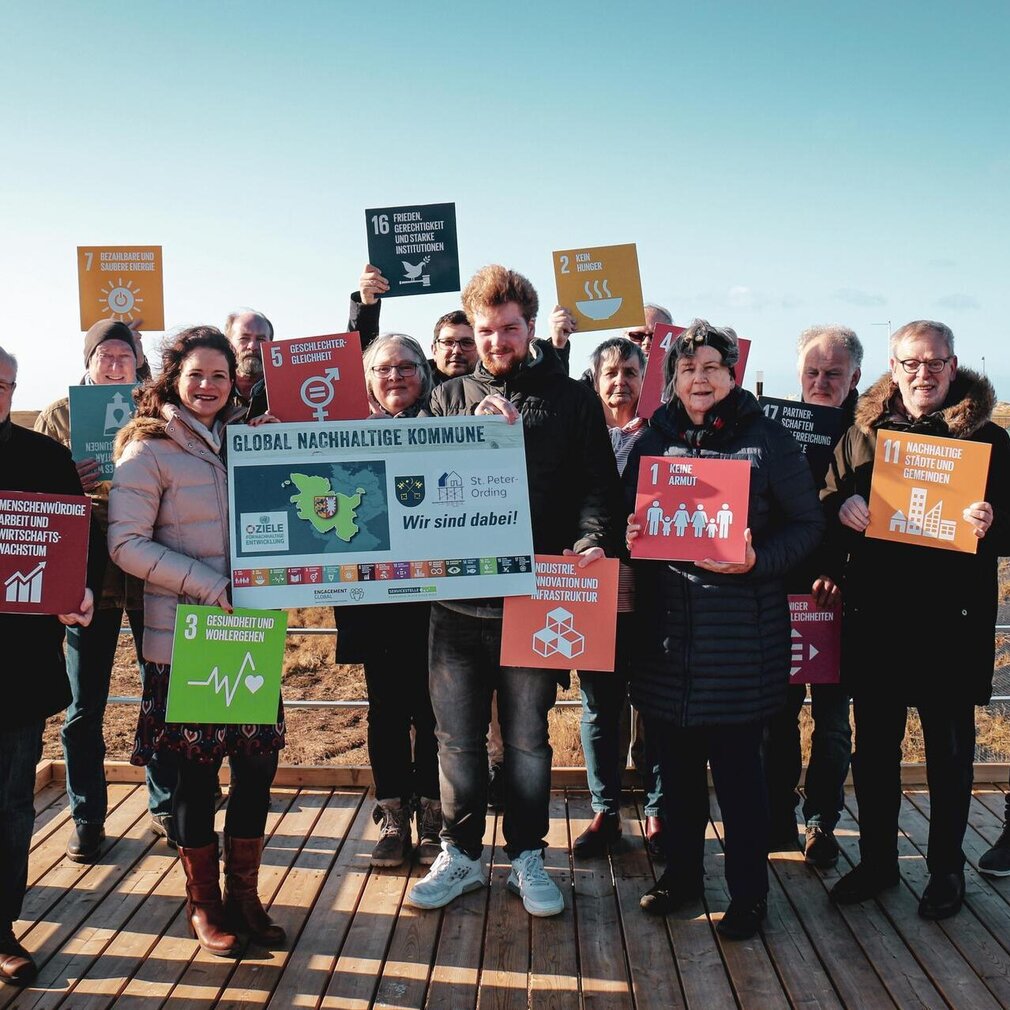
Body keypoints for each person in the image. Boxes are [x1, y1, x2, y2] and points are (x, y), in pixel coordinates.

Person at [407, 264, 623, 918]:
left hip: (537, 597)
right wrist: (472, 435)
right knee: (457, 740)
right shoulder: (445, 399)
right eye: (485, 329)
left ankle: (527, 855)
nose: (497, 340)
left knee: (528, 739)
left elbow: (599, 487)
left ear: (530, 327)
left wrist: (590, 538)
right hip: (455, 603)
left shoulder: (572, 397)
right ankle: (463, 854)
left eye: (509, 328)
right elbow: (415, 484)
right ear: (471, 331)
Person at [625, 320, 823, 940]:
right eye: (688, 369)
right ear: (673, 379)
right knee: (676, 778)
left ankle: (749, 895)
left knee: (741, 783)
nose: (700, 378)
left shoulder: (768, 441)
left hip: (741, 641)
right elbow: (627, 518)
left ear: (732, 374)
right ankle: (682, 878)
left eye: (712, 367)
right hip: (665, 641)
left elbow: (808, 527)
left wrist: (756, 560)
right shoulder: (652, 439)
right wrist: (630, 537)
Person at [822, 320, 1010, 919]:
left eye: (934, 363)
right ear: (893, 366)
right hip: (877, 618)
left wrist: (991, 522)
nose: (923, 373)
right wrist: (841, 507)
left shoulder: (989, 440)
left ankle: (946, 873)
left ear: (953, 366)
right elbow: (825, 502)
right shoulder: (861, 434)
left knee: (949, 754)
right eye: (911, 363)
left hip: (950, 623)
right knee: (874, 752)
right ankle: (878, 862)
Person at [109, 326, 285, 956]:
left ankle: (245, 895)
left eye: (219, 375)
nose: (207, 386)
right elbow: (124, 544)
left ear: (233, 380)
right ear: (172, 378)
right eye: (195, 375)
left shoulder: (246, 439)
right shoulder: (146, 449)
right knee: (195, 778)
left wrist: (276, 453)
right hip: (189, 637)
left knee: (258, 770)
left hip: (249, 633)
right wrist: (211, 586)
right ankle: (204, 905)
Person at [35, 320, 177, 862]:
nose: (115, 363)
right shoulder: (59, 414)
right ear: (89, 361)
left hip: (147, 568)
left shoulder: (158, 412)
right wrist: (65, 481)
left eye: (124, 354)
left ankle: (164, 806)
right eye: (106, 354)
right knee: (82, 704)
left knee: (159, 692)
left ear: (137, 361)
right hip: (84, 573)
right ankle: (87, 815)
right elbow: (35, 494)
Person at [0, 345, 100, 986]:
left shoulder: (43, 457)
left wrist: (77, 593)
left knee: (10, 804)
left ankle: (1, 927)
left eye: (2, 383)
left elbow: (72, 544)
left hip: (14, 667)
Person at [333, 333, 442, 867]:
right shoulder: (341, 432)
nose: (395, 376)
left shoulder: (451, 425)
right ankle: (393, 817)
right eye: (382, 368)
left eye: (406, 366)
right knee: (386, 712)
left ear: (425, 373)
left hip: (437, 600)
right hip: (370, 599)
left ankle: (433, 818)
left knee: (433, 712)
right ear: (366, 379)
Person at [764, 325, 863, 867]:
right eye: (812, 372)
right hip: (777, 591)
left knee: (831, 721)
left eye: (833, 373)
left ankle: (822, 820)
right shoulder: (771, 428)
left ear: (855, 378)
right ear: (798, 374)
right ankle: (777, 814)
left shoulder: (874, 437)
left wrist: (840, 574)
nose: (821, 382)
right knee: (775, 715)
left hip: (839, 600)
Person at [571, 337, 665, 859]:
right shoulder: (579, 433)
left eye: (630, 371)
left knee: (653, 706)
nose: (620, 381)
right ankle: (605, 810)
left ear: (644, 377)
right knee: (599, 707)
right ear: (595, 378)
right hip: (591, 591)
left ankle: (657, 811)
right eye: (610, 371)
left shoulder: (666, 436)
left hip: (653, 593)